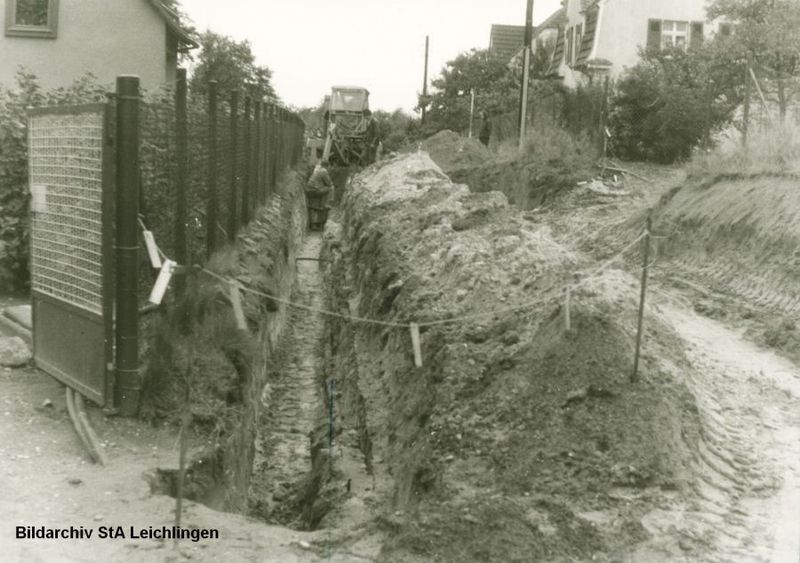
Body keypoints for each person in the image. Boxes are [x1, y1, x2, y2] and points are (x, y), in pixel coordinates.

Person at [305, 160, 334, 231]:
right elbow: (329, 183)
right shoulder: (324, 171)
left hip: (309, 190)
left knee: (313, 206)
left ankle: (313, 224)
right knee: (331, 188)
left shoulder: (316, 169)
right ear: (327, 166)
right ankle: (327, 203)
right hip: (315, 190)